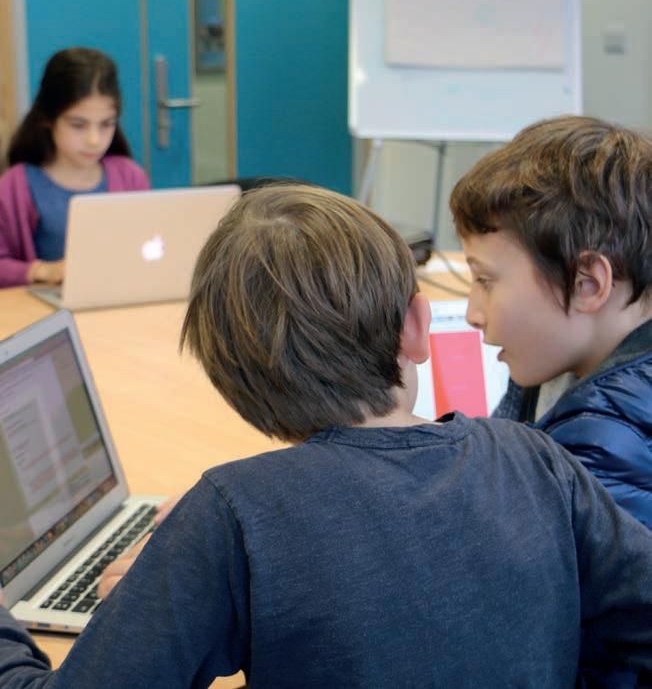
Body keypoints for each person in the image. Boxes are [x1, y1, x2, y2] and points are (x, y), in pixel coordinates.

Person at [1, 184, 652, 688]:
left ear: (231, 378)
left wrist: (149, 604)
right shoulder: (535, 459)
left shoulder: (232, 515)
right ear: (417, 327)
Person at [449, 115, 652, 531]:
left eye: (485, 280)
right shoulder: (556, 360)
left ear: (587, 283)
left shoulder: (599, 450)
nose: (473, 313)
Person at [0, 47, 149, 288]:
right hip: (43, 307)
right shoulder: (14, 185)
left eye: (106, 125)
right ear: (49, 119)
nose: (94, 140)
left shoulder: (131, 176)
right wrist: (41, 270)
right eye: (78, 125)